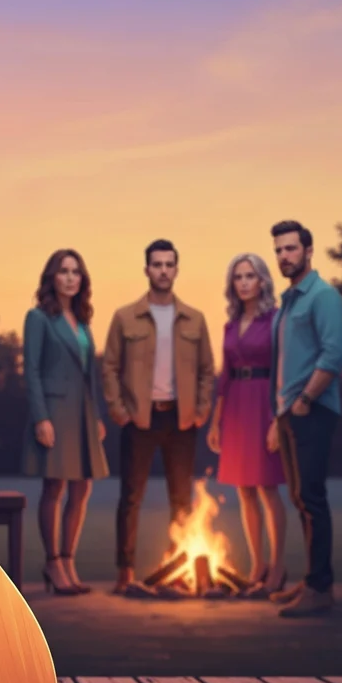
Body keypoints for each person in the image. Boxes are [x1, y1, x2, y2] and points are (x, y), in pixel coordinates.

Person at [102, 239, 215, 594]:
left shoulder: (195, 318)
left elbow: (207, 370)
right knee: (131, 497)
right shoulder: (125, 317)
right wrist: (119, 411)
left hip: (180, 420)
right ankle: (125, 572)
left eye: (169, 264)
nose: (163, 270)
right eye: (157, 264)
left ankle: (178, 567)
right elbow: (110, 367)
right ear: (147, 269)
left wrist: (201, 408)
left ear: (176, 270)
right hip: (141, 418)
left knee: (181, 499)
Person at [265, 220, 342, 617]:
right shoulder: (290, 301)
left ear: (308, 251)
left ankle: (321, 588)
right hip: (288, 413)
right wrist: (280, 412)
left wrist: (305, 400)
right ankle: (312, 580)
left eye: (291, 249)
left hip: (311, 411)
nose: (284, 256)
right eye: (279, 250)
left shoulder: (323, 296)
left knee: (312, 498)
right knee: (300, 498)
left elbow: (333, 355)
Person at [22, 249, 109, 595]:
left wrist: (97, 416)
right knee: (54, 487)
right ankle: (53, 562)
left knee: (83, 487)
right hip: (55, 413)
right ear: (51, 278)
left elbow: (90, 376)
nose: (71, 277)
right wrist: (41, 417)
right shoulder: (38, 318)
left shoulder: (84, 321)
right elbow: (31, 370)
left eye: (76, 272)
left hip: (83, 414)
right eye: (64, 271)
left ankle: (69, 561)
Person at [207, 254, 287, 598]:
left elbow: (284, 370)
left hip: (264, 402)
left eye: (250, 276)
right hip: (236, 405)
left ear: (263, 281)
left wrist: (278, 421)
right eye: (238, 276)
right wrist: (216, 421)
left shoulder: (276, 320)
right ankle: (257, 565)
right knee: (244, 490)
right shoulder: (229, 324)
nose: (243, 282)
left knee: (268, 488)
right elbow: (224, 376)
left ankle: (278, 565)